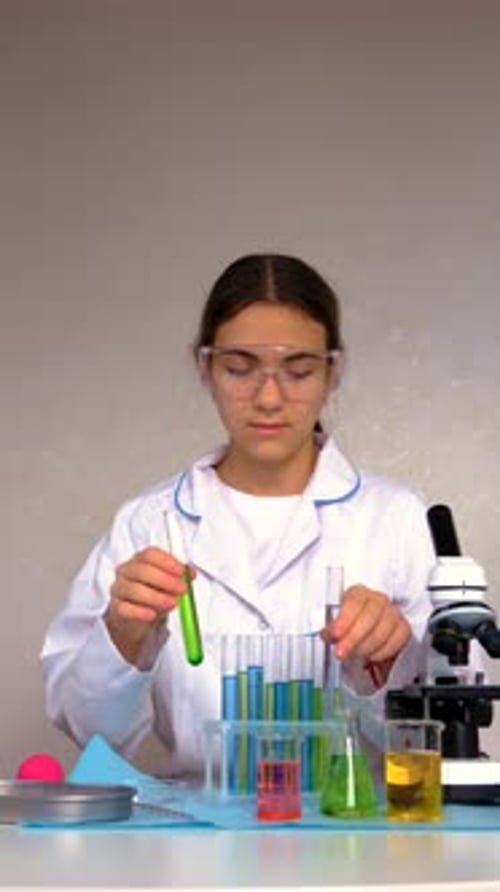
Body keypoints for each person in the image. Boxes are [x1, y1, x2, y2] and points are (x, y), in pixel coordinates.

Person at [41, 253, 435, 775]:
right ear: (205, 367)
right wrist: (122, 638)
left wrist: (389, 661)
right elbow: (87, 729)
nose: (269, 398)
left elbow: (442, 736)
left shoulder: (395, 518)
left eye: (297, 371)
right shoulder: (150, 522)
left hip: (349, 836)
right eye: (240, 368)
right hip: (197, 836)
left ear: (331, 372)